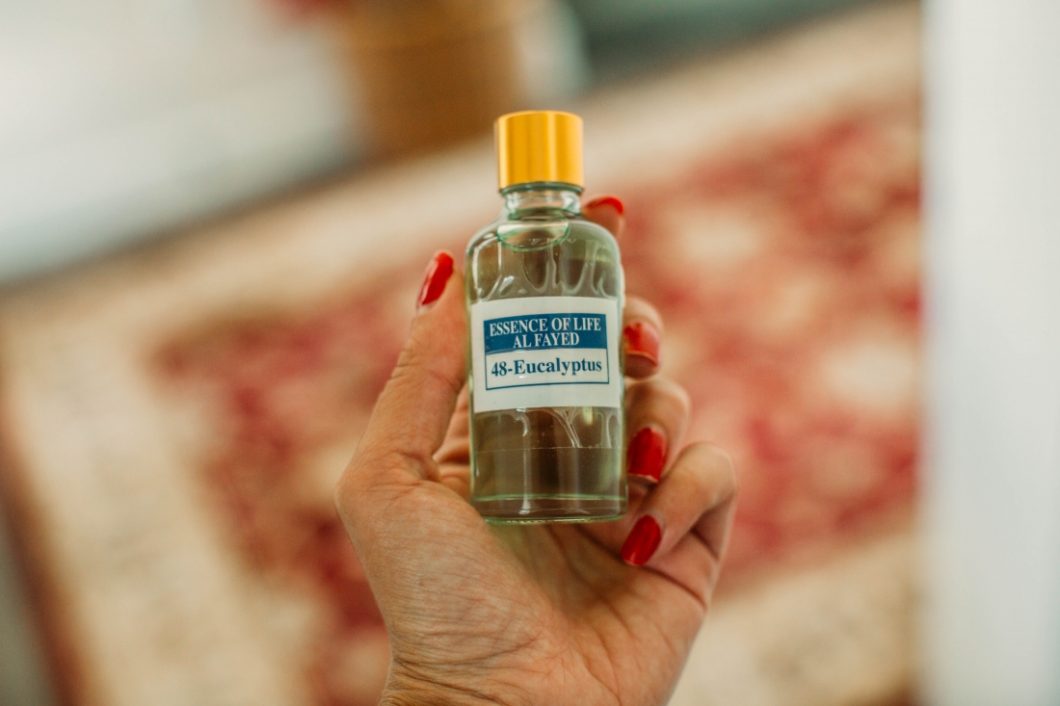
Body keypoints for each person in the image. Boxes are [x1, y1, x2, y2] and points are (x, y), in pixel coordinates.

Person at [336, 196, 737, 706]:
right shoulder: (490, 247)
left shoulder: (587, 245)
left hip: (591, 556)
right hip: (506, 508)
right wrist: (464, 687)